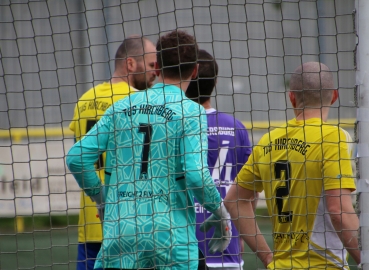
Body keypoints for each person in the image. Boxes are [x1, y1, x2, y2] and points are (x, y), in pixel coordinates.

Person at [66, 29, 232, 270]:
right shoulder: (191, 112)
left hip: (121, 234)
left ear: (156, 69)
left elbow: (76, 158)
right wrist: (220, 212)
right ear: (194, 71)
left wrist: (101, 199)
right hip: (171, 239)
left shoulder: (120, 107)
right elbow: (196, 175)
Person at [224, 61, 360, 269]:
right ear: (334, 96)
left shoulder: (268, 141)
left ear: (292, 97)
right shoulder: (334, 138)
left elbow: (233, 200)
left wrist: (268, 258)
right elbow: (339, 211)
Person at [69, 35, 157, 270]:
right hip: (130, 224)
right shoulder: (141, 101)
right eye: (150, 66)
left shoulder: (84, 100)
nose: (155, 73)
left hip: (91, 222)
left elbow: (80, 155)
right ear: (130, 64)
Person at [186, 49, 253, 270]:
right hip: (227, 247)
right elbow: (250, 191)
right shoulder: (236, 128)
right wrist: (242, 232)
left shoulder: (176, 126)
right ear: (214, 82)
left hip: (183, 250)